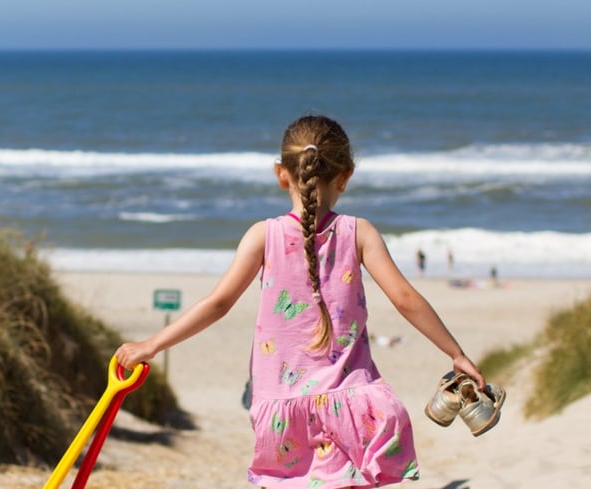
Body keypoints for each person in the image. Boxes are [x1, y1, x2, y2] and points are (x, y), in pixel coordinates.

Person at [115, 115, 485, 489]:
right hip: (353, 407)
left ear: (281, 173)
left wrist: (152, 345)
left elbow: (219, 302)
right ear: (345, 175)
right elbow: (405, 299)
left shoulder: (264, 235)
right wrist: (455, 352)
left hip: (282, 412)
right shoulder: (360, 233)